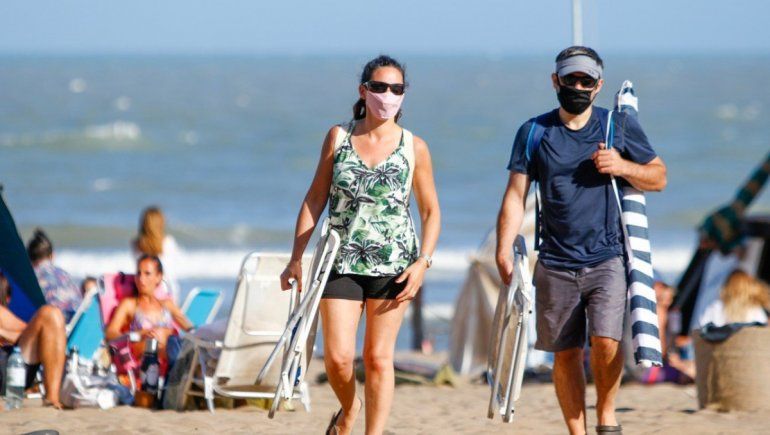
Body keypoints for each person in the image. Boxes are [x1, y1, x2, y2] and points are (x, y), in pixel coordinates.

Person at [496, 46, 667, 435]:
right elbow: (514, 194)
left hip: (607, 258)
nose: (577, 86)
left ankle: (606, 415)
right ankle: (578, 431)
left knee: (606, 342)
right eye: (570, 79)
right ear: (555, 80)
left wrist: (622, 166)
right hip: (554, 261)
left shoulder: (616, 126)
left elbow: (659, 177)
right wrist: (503, 248)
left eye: (585, 81)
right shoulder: (534, 132)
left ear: (598, 85)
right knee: (565, 354)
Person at [280, 55, 440, 435]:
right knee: (336, 359)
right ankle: (350, 409)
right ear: (363, 91)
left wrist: (423, 263)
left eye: (396, 89)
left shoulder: (414, 147)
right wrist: (296, 258)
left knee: (379, 359)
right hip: (340, 261)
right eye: (380, 87)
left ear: (404, 95)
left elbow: (431, 211)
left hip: (395, 264)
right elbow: (315, 198)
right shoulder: (338, 137)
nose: (388, 95)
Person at [105, 255, 192, 369]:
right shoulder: (129, 304)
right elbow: (110, 333)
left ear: (158, 277)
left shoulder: (167, 304)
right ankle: (179, 374)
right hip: (146, 356)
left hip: (170, 351)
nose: (141, 279)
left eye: (147, 273)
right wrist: (139, 334)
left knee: (180, 345)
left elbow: (191, 328)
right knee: (175, 348)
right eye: (138, 273)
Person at [0, 271, 66, 408]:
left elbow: (28, 331)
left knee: (51, 314)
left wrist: (4, 333)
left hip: (12, 368)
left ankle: (52, 400)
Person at [27, 228, 82, 324]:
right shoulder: (65, 275)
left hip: (52, 327)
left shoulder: (30, 277)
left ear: (29, 258)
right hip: (76, 324)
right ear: (52, 255)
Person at [132, 206, 181, 303]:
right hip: (167, 290)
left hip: (144, 291)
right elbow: (172, 270)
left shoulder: (135, 244)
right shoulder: (168, 242)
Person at [699, 269, 769, 327]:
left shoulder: (716, 308)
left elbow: (702, 329)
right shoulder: (755, 310)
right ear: (749, 287)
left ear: (727, 286)